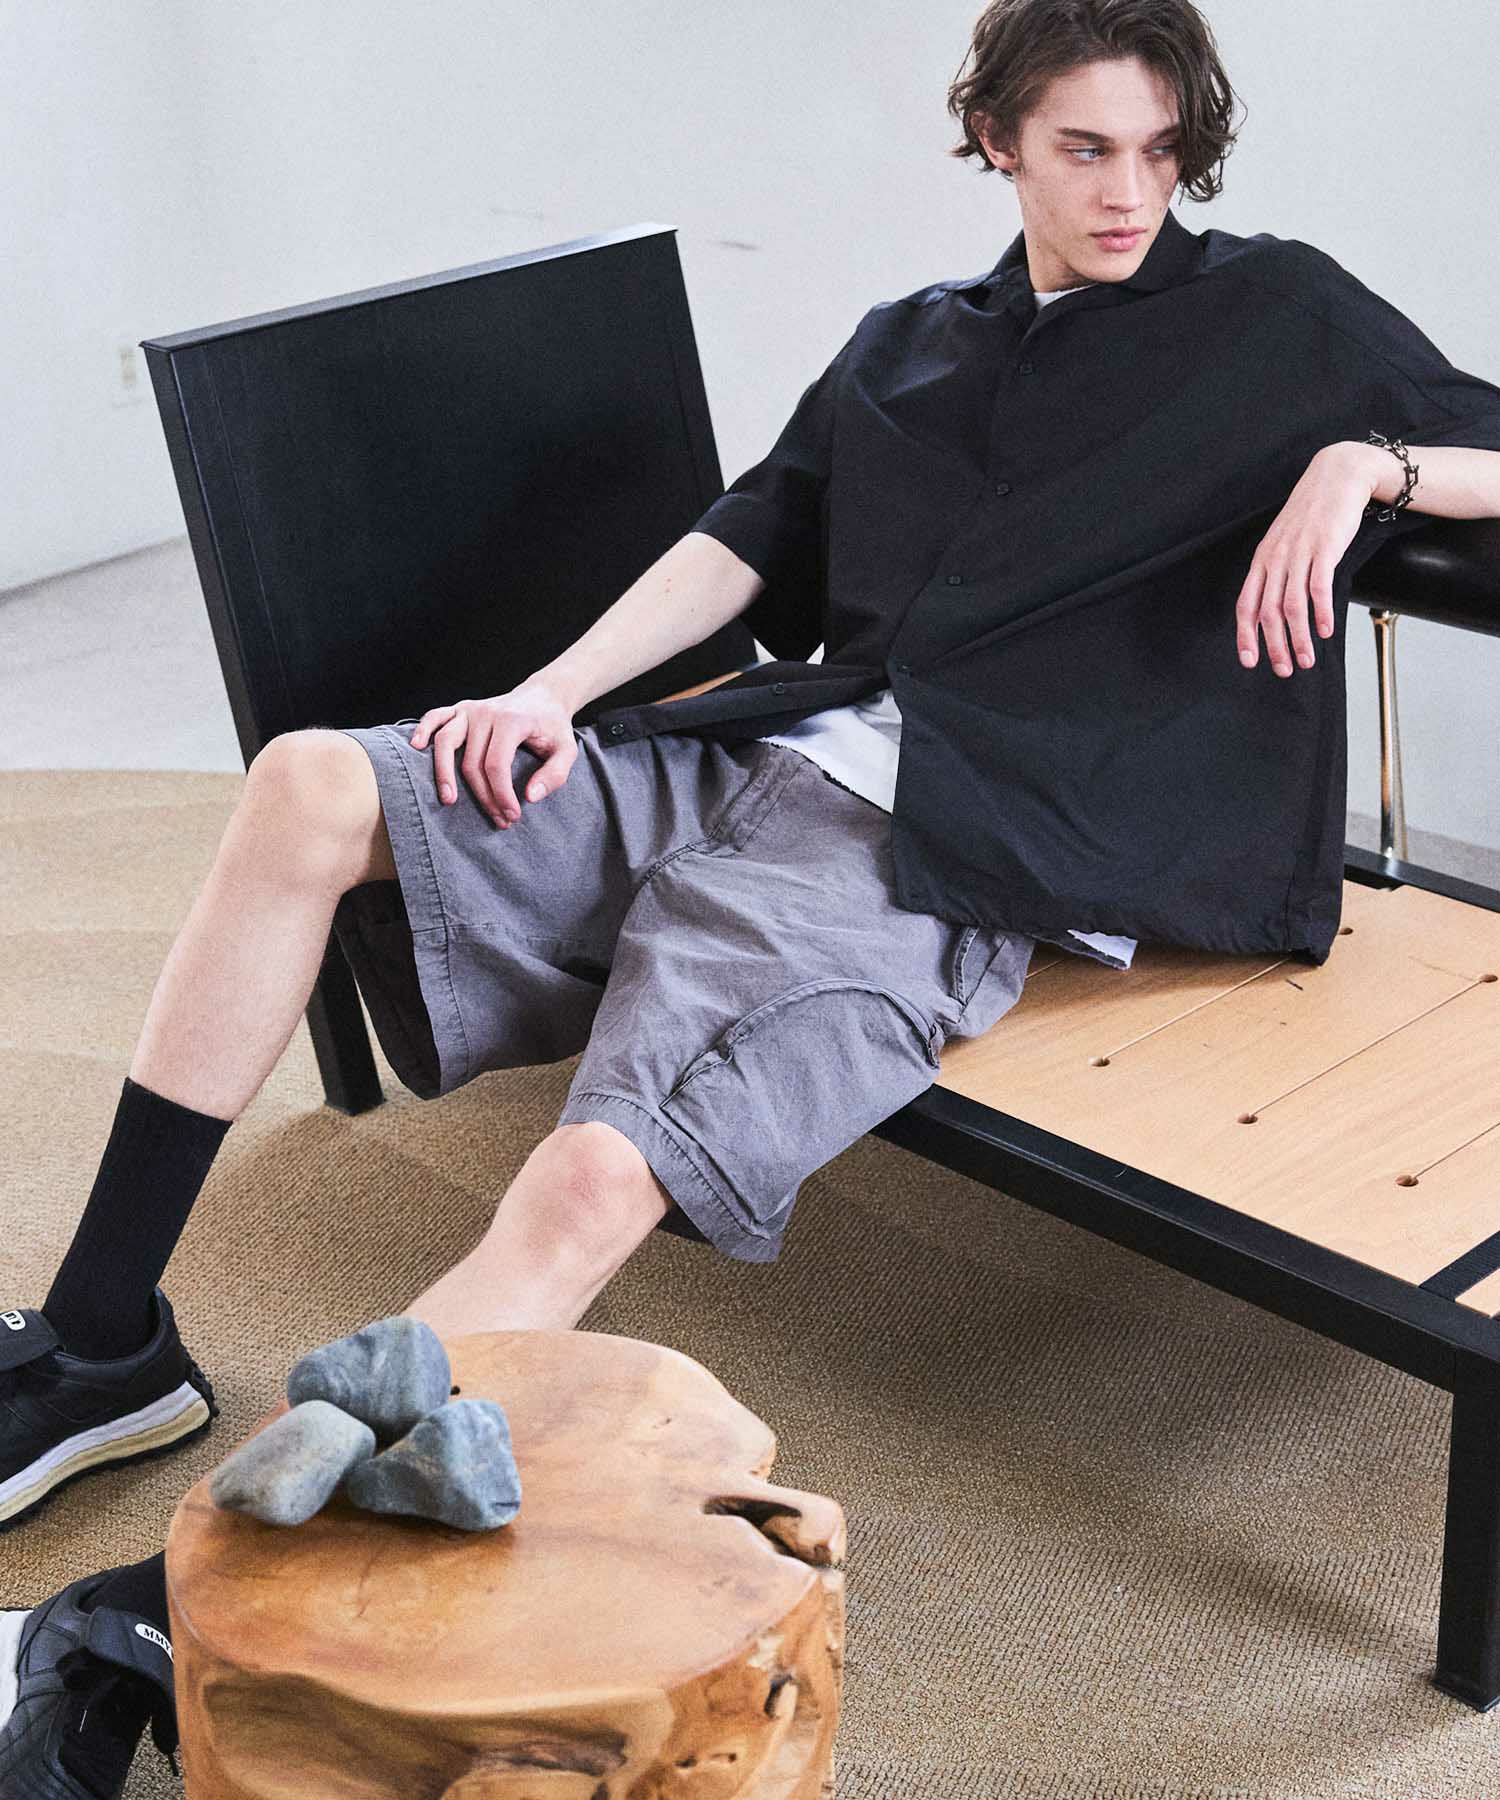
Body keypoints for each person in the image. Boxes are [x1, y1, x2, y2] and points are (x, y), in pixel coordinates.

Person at [7, 1, 1500, 1792]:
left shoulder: (1279, 315)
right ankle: (101, 1344)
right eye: (1088, 149)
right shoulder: (912, 344)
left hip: (944, 854)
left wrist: (1368, 464)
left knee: (588, 1172)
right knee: (311, 784)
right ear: (997, 140)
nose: (1133, 192)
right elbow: (749, 534)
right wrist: (550, 696)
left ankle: (167, 1618)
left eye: (1164, 150)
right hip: (751, 751)